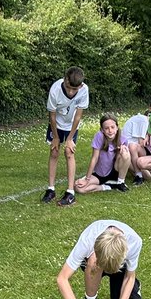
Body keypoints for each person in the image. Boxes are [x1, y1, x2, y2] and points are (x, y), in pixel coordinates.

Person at [56, 220, 144, 299]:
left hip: (121, 271)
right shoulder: (88, 239)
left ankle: (132, 288)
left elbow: (129, 276)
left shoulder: (135, 242)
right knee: (93, 261)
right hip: (94, 262)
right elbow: (62, 278)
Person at [44, 66, 90, 206]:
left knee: (69, 152)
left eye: (74, 89)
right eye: (69, 87)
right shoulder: (55, 89)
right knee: (54, 152)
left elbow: (78, 117)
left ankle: (70, 193)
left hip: (71, 126)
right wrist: (56, 137)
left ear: (80, 86)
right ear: (65, 79)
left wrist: (69, 139)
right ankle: (51, 189)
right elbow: (52, 115)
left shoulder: (84, 90)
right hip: (56, 124)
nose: (71, 92)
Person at [76, 115, 131, 194]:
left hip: (115, 170)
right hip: (100, 174)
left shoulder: (123, 139)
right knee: (78, 188)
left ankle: (120, 182)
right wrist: (86, 179)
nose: (110, 130)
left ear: (117, 127)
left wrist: (121, 151)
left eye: (112, 127)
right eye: (106, 128)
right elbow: (94, 158)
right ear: (102, 130)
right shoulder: (99, 137)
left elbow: (126, 160)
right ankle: (109, 186)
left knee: (126, 153)